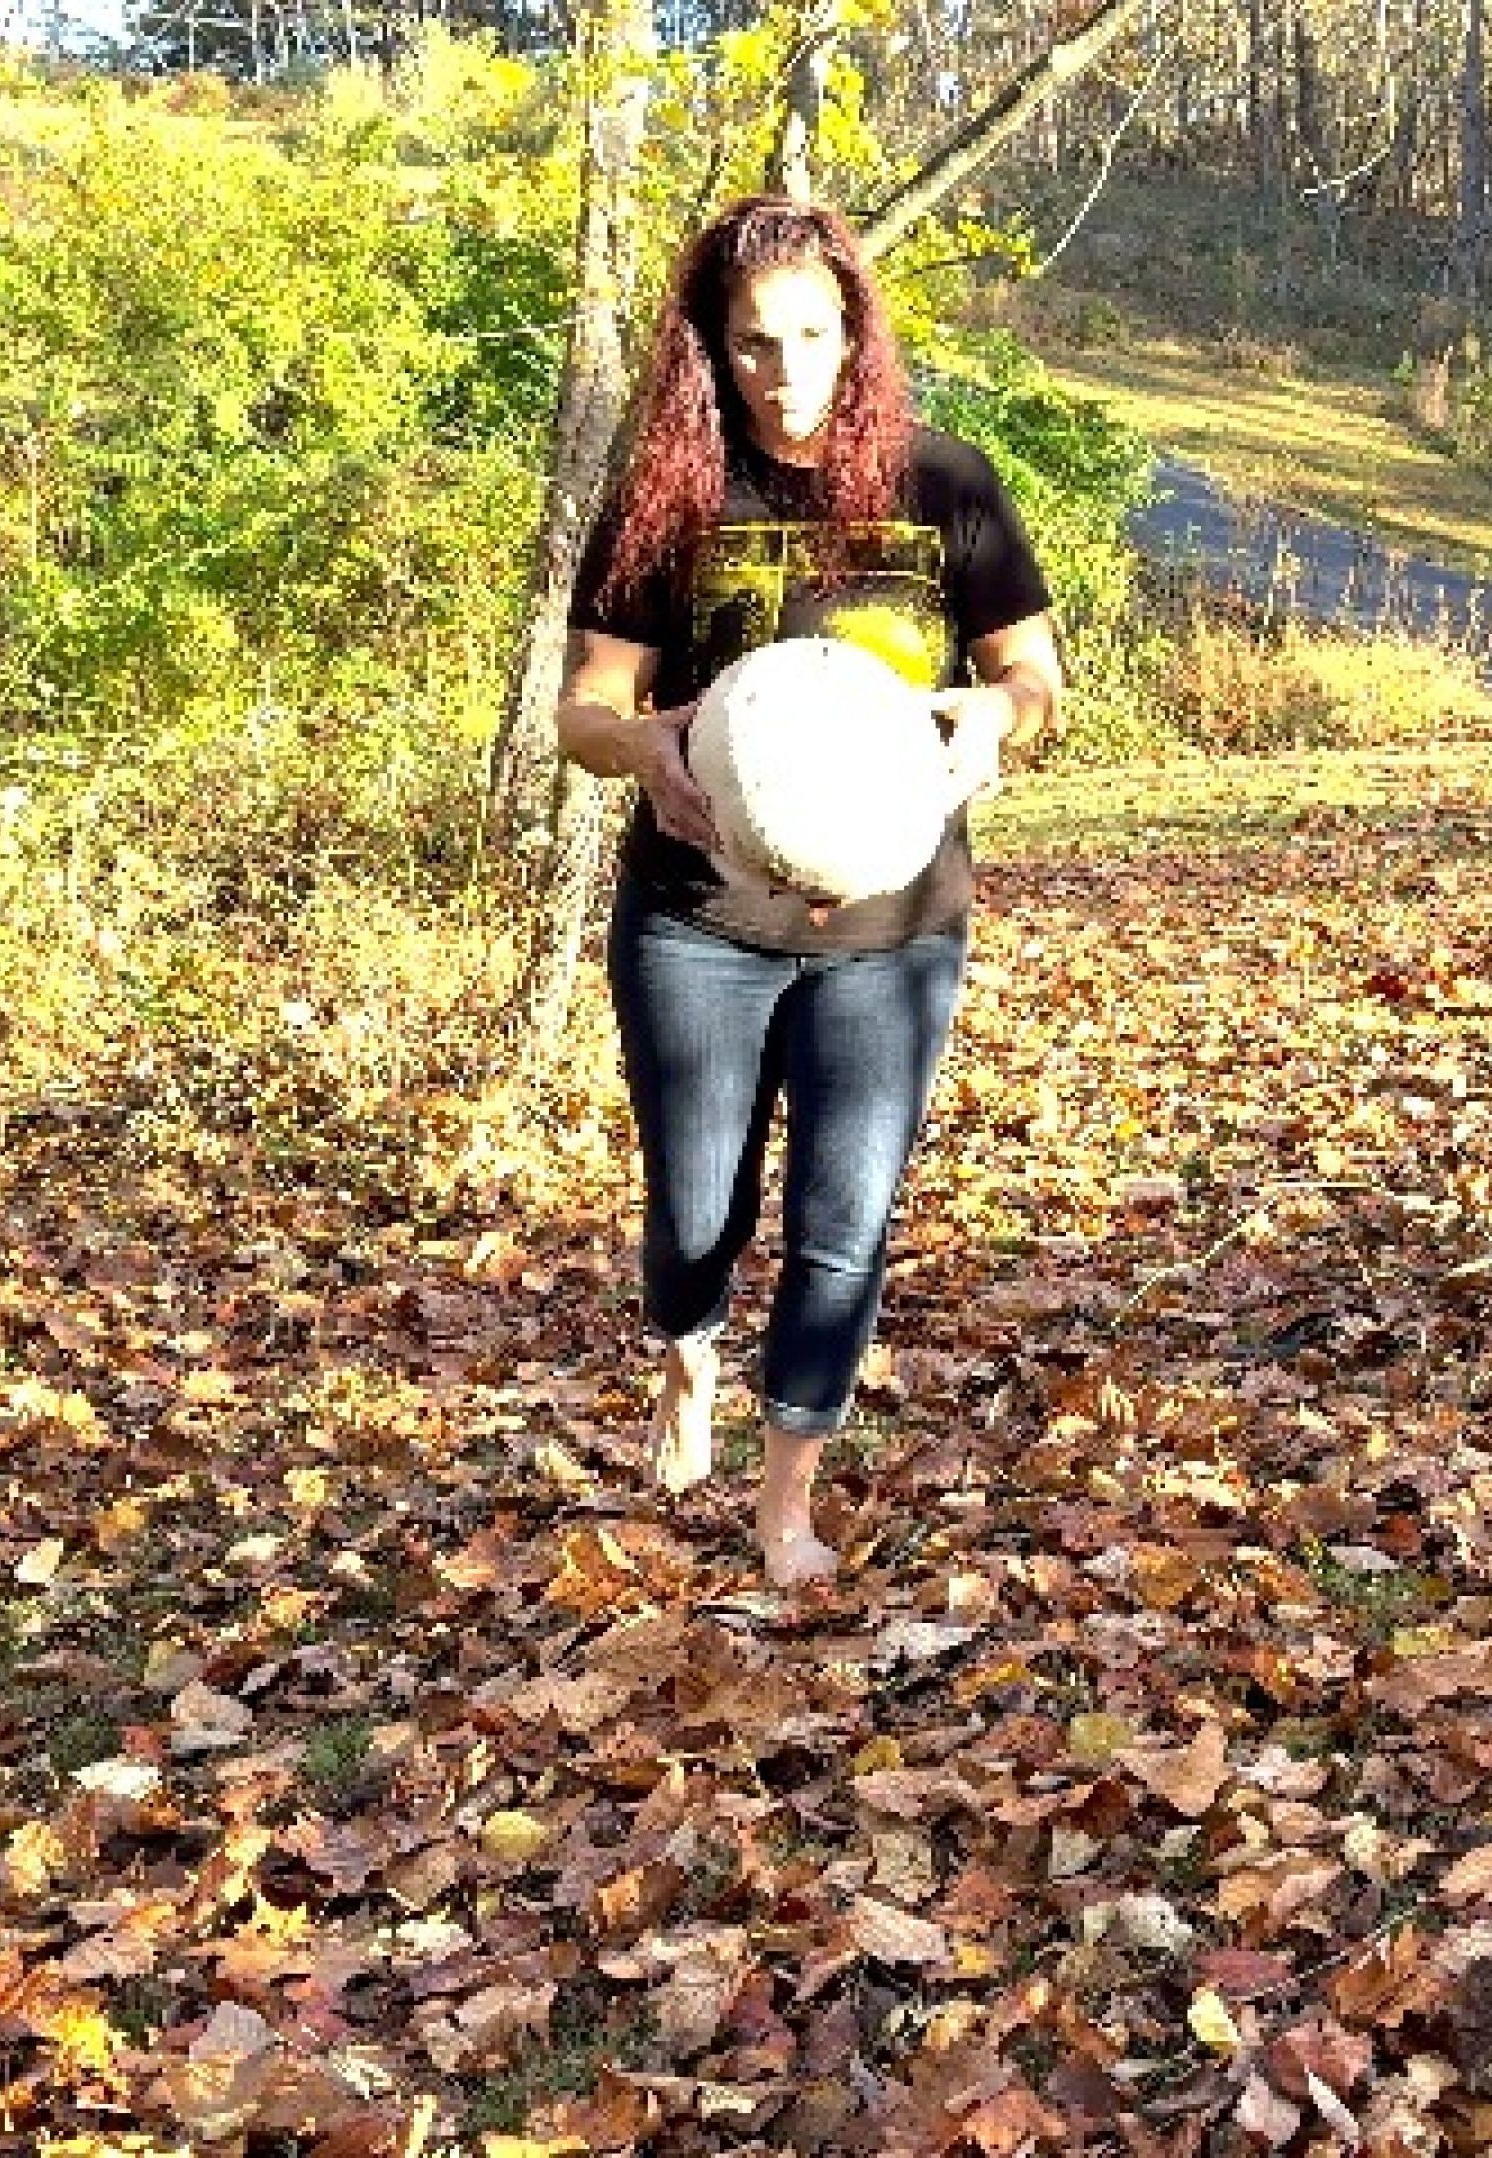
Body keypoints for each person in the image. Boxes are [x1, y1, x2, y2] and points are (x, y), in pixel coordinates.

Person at [554, 195, 1063, 1589]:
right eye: (753, 345)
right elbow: (583, 708)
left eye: (811, 338)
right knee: (694, 1212)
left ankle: (785, 1496)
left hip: (892, 935)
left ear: (858, 333)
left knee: (845, 1218)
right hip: (700, 924)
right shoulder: (669, 502)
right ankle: (686, 1355)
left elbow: (1036, 676)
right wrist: (644, 741)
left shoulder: (947, 486)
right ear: (711, 353)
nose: (785, 374)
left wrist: (993, 718)